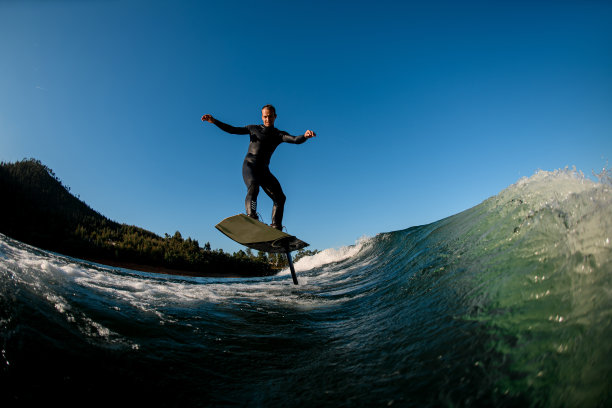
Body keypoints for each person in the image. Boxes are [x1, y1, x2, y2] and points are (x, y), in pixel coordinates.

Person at [201, 105, 316, 230]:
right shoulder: (253, 129)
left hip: (264, 171)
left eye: (270, 116)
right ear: (262, 117)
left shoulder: (278, 134)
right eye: (265, 116)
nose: (267, 119)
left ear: (275, 116)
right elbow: (232, 129)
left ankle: (276, 227)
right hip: (250, 166)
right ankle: (251, 217)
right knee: (254, 187)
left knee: (280, 197)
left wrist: (305, 136)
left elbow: (294, 139)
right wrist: (214, 121)